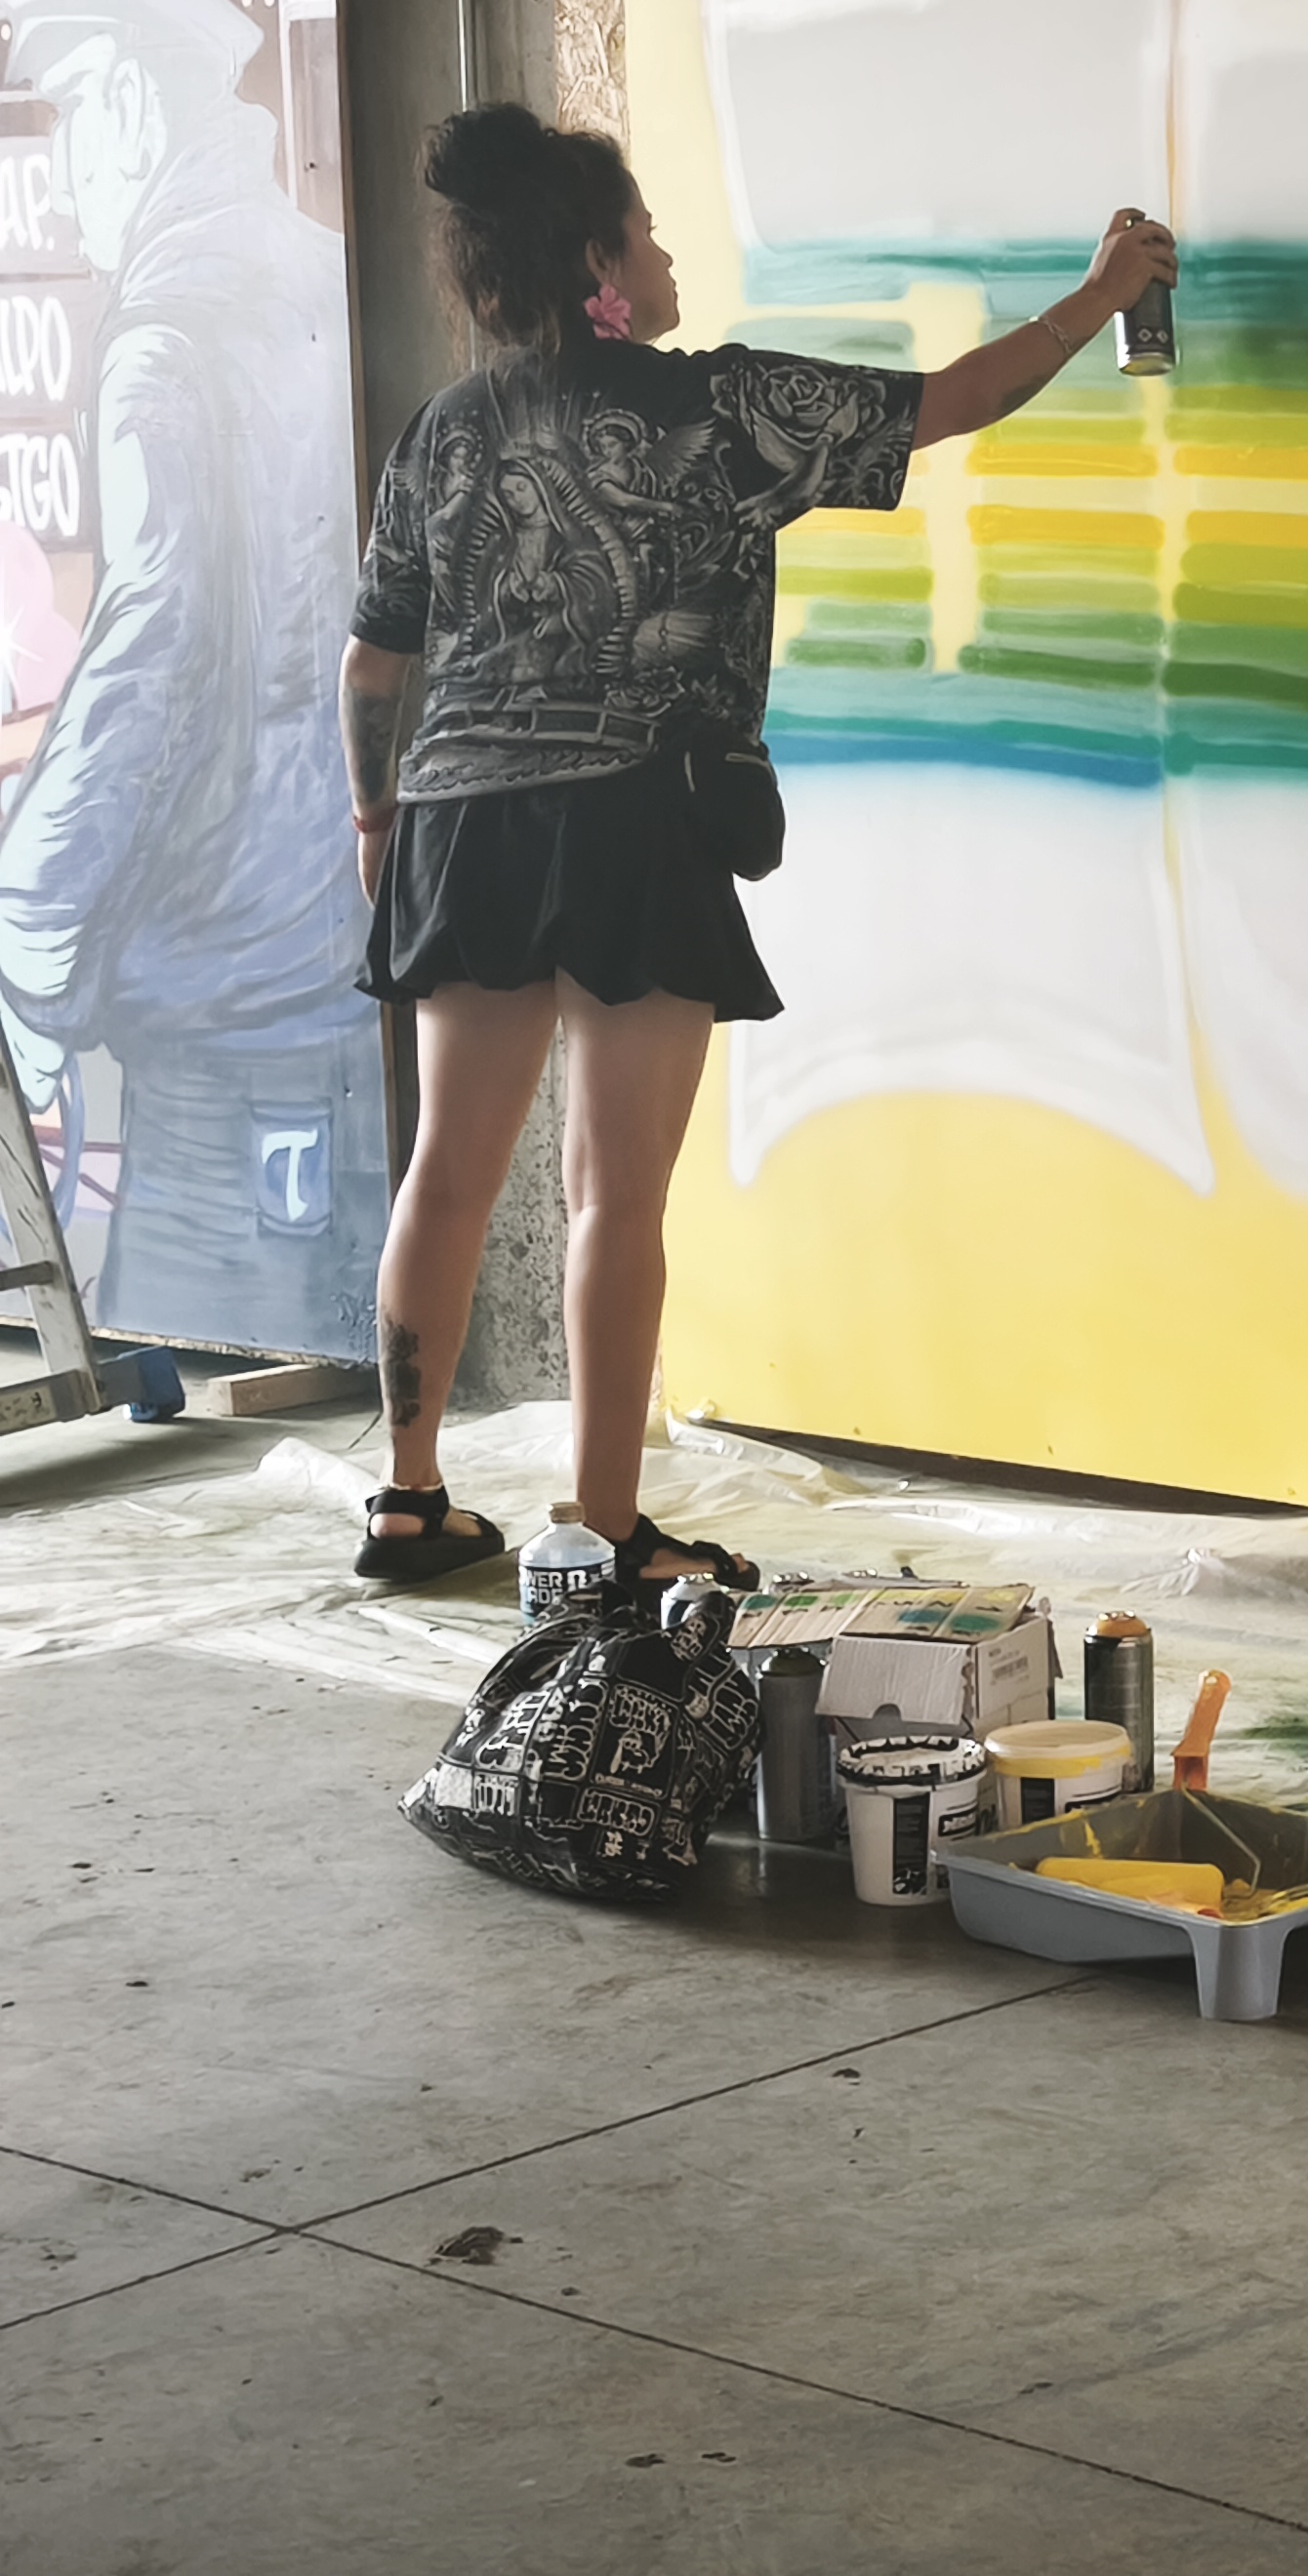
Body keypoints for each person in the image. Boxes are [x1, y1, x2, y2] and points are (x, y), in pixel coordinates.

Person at [339, 101, 1174, 1596]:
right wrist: (1101, 296)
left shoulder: (440, 434)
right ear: (599, 264)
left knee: (446, 1178)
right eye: (647, 232)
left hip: (459, 818)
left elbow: (373, 666)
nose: (665, 255)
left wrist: (376, 817)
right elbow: (950, 401)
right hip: (632, 810)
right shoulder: (714, 408)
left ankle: (408, 1500)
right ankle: (605, 1529)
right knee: (613, 1195)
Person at [0, 0, 370, 1353]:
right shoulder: (323, 274)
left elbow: (151, 655)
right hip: (344, 932)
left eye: (70, 118)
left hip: (231, 981)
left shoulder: (166, 338)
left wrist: (31, 935)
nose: (63, 174)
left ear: (132, 110)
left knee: (216, 1313)